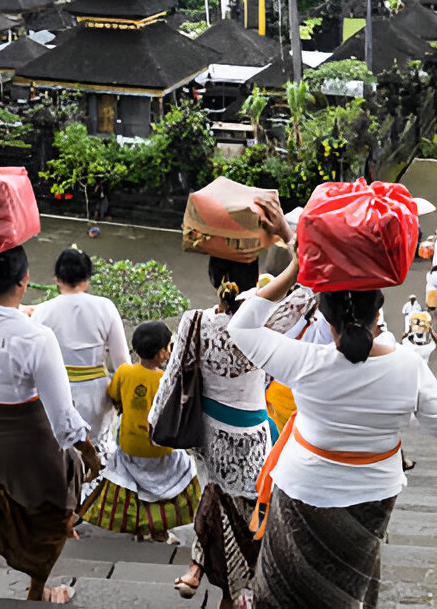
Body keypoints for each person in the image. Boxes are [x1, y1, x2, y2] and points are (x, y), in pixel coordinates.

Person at [226, 199, 437, 609]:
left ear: (323, 314)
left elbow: (240, 326)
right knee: (349, 580)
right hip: (375, 489)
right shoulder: (409, 366)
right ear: (378, 311)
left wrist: (296, 265)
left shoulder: (304, 363)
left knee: (288, 586)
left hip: (303, 485)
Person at [0, 249, 102, 604]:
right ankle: (37, 591)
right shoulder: (36, 337)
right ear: (24, 280)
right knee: (55, 505)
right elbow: (62, 415)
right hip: (25, 433)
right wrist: (88, 452)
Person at [156, 257, 271, 607]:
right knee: (248, 515)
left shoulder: (195, 321)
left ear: (213, 279)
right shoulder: (265, 323)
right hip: (253, 439)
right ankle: (236, 590)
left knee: (217, 497)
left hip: (208, 437)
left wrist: (155, 422)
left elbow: (173, 376)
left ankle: (204, 571)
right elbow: (306, 294)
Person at [80, 321, 200, 542]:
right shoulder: (167, 379)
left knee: (134, 483)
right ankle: (159, 529)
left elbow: (114, 395)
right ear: (164, 352)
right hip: (160, 448)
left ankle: (140, 528)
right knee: (185, 468)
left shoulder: (124, 372)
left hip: (130, 445)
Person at [32, 248, 128, 461]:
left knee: (64, 453)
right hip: (98, 394)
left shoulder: (42, 312)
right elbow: (122, 362)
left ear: (57, 279)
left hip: (56, 393)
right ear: (87, 279)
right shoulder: (105, 307)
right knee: (99, 453)